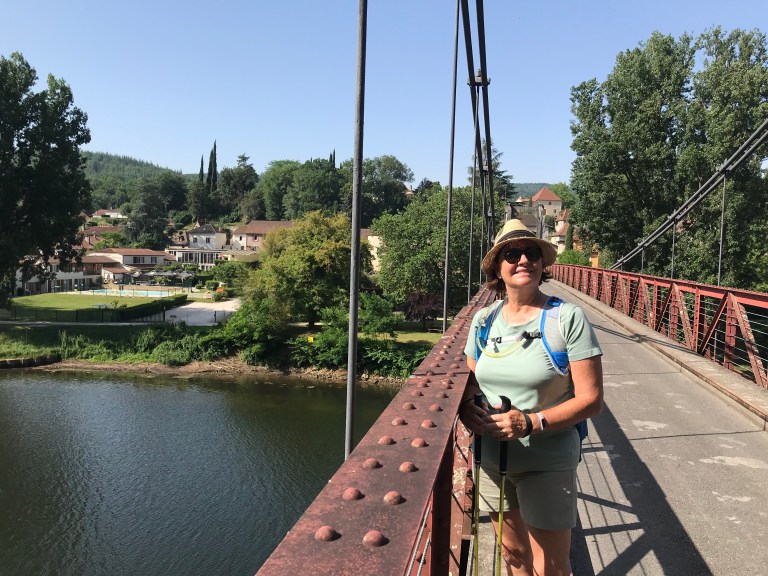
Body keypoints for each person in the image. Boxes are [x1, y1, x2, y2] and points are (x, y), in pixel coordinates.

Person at [459, 218, 603, 576]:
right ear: (497, 268)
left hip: (547, 460)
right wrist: (466, 407)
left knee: (550, 567)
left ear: (541, 264)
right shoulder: (483, 321)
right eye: (512, 254)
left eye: (531, 253)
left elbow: (592, 400)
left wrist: (530, 422)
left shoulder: (566, 318)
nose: (523, 259)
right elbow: (473, 381)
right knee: (514, 557)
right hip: (491, 459)